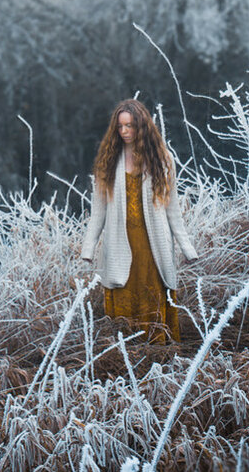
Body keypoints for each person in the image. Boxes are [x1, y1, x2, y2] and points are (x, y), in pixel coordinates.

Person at [81, 99, 199, 342]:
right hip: (119, 245)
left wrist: (187, 248)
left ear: (142, 126)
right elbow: (99, 212)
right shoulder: (109, 161)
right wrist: (88, 248)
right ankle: (127, 354)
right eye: (120, 126)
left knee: (152, 296)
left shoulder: (161, 160)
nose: (124, 132)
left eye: (130, 126)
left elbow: (173, 210)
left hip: (153, 245)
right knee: (123, 297)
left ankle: (157, 353)